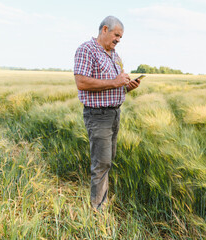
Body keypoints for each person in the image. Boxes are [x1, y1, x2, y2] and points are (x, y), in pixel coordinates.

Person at [74, 16, 140, 210]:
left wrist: (128, 87)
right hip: (98, 115)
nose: (119, 39)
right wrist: (115, 82)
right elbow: (82, 83)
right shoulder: (87, 50)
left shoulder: (114, 55)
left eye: (121, 37)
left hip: (113, 114)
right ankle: (97, 209)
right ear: (104, 29)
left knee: (107, 161)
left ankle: (101, 200)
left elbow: (117, 85)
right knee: (101, 163)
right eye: (116, 35)